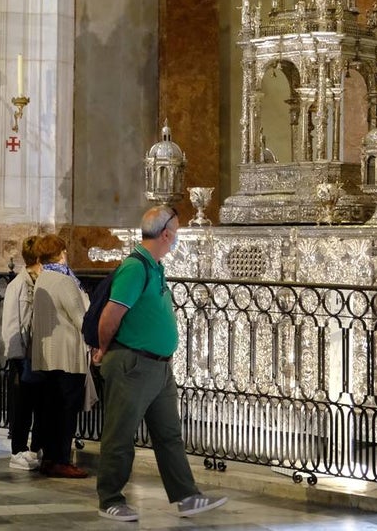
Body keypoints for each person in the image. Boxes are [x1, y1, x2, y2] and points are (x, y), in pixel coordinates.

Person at [92, 206, 227, 521]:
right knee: (120, 433)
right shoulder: (135, 268)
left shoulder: (155, 266)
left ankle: (187, 496)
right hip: (132, 364)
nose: (176, 237)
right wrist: (103, 348)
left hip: (158, 367)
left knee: (168, 434)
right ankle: (109, 498)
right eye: (176, 231)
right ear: (166, 233)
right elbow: (110, 316)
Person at [31, 234, 92, 479]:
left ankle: (49, 458)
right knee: (66, 410)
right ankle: (61, 459)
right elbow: (80, 318)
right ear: (62, 252)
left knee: (51, 409)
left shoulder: (43, 277)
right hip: (67, 355)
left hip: (48, 355)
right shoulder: (64, 280)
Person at [0, 235, 43, 471]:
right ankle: (18, 449)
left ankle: (36, 447)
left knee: (40, 403)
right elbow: (12, 322)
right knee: (22, 406)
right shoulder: (18, 284)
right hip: (23, 355)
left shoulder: (43, 281)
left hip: (39, 354)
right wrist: (16, 355)